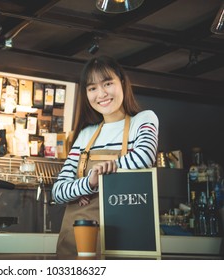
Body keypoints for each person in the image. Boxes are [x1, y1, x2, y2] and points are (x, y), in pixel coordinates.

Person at [52, 55, 159, 256]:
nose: (101, 94)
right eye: (92, 88)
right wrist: (88, 183)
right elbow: (58, 192)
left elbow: (143, 157)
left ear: (123, 83)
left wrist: (100, 176)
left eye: (108, 83)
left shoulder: (144, 120)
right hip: (80, 246)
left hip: (126, 242)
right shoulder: (85, 134)